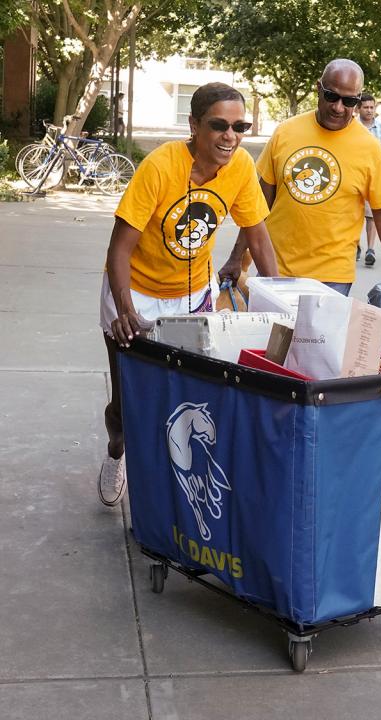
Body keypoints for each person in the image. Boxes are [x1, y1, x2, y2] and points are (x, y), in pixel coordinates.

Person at [98, 82, 278, 506]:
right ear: (194, 125)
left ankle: (174, 482)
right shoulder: (159, 167)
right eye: (219, 125)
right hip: (135, 291)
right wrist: (125, 310)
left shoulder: (240, 168)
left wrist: (280, 300)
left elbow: (260, 239)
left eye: (240, 126)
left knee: (193, 394)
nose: (230, 136)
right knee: (128, 402)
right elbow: (118, 248)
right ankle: (116, 451)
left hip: (194, 293)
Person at [256, 59, 381, 303]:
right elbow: (260, 203)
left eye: (349, 101)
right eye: (331, 96)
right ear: (319, 88)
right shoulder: (285, 131)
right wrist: (238, 258)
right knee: (267, 341)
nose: (339, 107)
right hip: (275, 269)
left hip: (332, 279)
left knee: (316, 343)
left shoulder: (369, 147)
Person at [358, 93, 381, 267]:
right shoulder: (351, 127)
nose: (369, 110)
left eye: (372, 107)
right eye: (366, 107)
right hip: (355, 177)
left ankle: (370, 249)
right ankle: (355, 244)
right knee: (355, 213)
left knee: (372, 216)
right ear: (359, 108)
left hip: (375, 179)